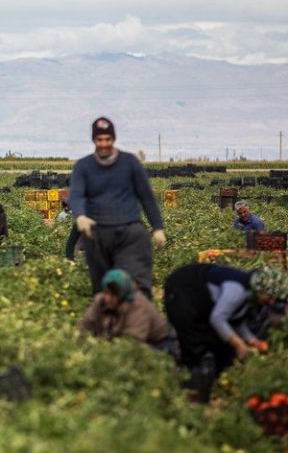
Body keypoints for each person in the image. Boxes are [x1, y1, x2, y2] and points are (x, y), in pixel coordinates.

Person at [69, 117, 165, 299]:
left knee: (134, 282)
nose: (103, 144)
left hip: (129, 232)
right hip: (97, 234)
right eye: (99, 140)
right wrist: (80, 215)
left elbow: (146, 195)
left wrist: (157, 227)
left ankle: (140, 322)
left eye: (107, 139)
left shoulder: (130, 163)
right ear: (93, 140)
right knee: (103, 288)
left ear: (113, 139)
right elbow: (76, 194)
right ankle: (107, 324)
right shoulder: (83, 166)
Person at [164, 264, 286, 377]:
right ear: (261, 289)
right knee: (198, 345)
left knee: (224, 350)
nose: (271, 302)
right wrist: (239, 344)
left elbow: (236, 321)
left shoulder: (249, 294)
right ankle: (189, 381)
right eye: (270, 297)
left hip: (201, 303)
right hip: (182, 293)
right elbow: (217, 319)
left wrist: (253, 341)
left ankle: (214, 380)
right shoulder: (237, 290)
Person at [78, 269, 170, 347]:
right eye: (106, 292)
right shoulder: (100, 301)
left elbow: (132, 343)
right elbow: (85, 326)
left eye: (113, 294)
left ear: (122, 294)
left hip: (159, 345)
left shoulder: (138, 306)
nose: (108, 298)